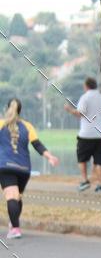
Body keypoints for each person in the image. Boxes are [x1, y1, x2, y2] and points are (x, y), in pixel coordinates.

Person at [0, 97, 59, 239]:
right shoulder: (28, 126)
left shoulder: (1, 124)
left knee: (11, 196)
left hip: (5, 166)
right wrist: (50, 157)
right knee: (17, 196)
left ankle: (15, 229)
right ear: (20, 110)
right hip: (24, 168)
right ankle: (14, 223)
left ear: (7, 108)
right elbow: (37, 144)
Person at [64, 76, 101, 193]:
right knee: (100, 161)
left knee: (82, 158)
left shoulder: (85, 98)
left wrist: (69, 109)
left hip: (86, 134)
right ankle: (100, 184)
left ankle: (85, 180)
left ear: (86, 86)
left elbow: (80, 113)